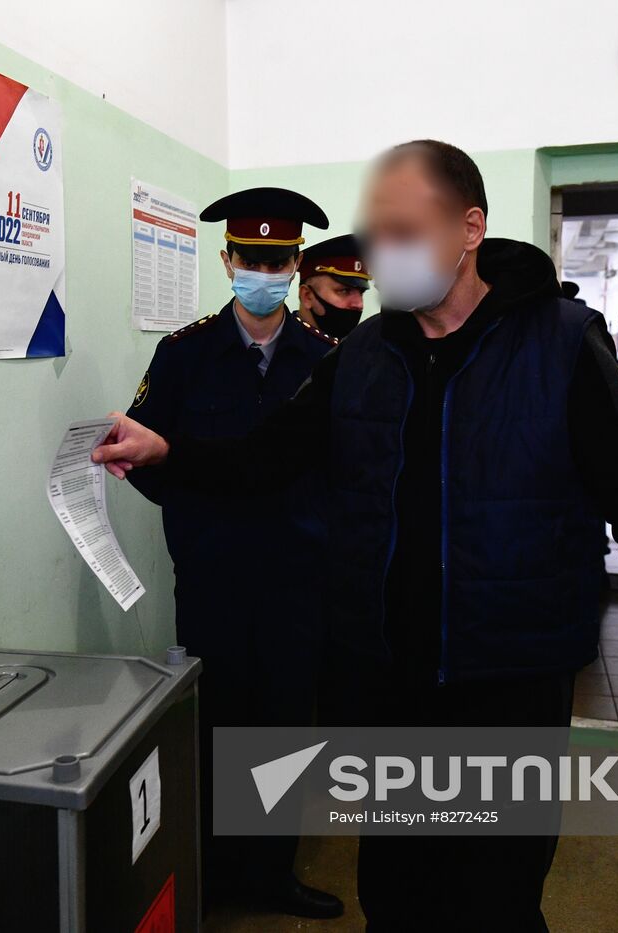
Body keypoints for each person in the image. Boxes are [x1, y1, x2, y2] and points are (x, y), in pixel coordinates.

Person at [94, 141, 618, 931]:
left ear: (469, 228)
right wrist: (168, 451)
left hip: (508, 684)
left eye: (406, 231)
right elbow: (263, 458)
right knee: (394, 893)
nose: (385, 255)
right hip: (388, 685)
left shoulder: (559, 343)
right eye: (377, 234)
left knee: (495, 902)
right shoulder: (364, 356)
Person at [124, 186, 344, 919]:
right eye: (251, 258)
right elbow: (146, 455)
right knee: (217, 725)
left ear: (296, 265)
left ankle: (271, 873)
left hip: (296, 581)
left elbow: (344, 471)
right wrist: (197, 521)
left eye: (278, 261)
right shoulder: (183, 355)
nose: (264, 272)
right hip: (213, 578)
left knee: (283, 726)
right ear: (226, 261)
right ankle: (215, 874)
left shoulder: (326, 359)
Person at [296, 233, 370, 339]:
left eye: (361, 293)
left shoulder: (362, 346)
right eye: (345, 291)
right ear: (307, 296)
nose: (359, 304)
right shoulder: (282, 345)